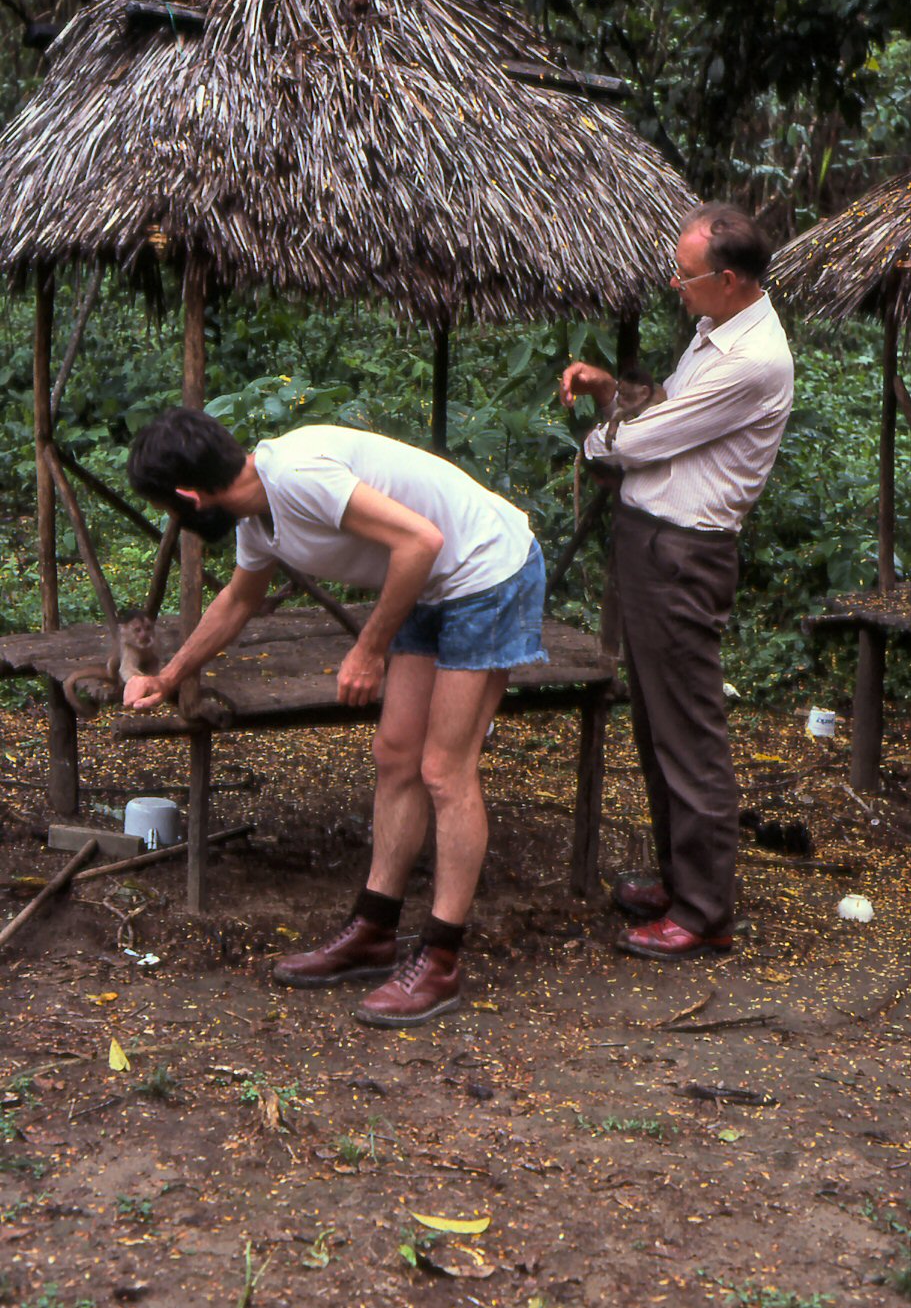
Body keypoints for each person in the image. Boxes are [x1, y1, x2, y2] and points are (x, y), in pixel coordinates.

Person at [124, 411, 547, 1024]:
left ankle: (441, 959)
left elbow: (421, 541)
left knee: (444, 769)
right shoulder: (258, 514)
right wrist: (168, 676)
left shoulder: (298, 475)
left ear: (188, 497)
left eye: (169, 508)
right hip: (430, 582)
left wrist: (369, 648)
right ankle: (374, 930)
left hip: (486, 568)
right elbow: (239, 599)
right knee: (396, 756)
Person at [560, 203, 793, 960]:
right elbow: (664, 410)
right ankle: (680, 881)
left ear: (729, 279)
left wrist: (600, 440)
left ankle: (704, 910)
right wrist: (612, 393)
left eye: (686, 275)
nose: (675, 285)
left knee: (688, 731)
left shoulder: (751, 359)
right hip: (653, 542)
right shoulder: (712, 330)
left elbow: (648, 439)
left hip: (682, 554)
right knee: (657, 723)